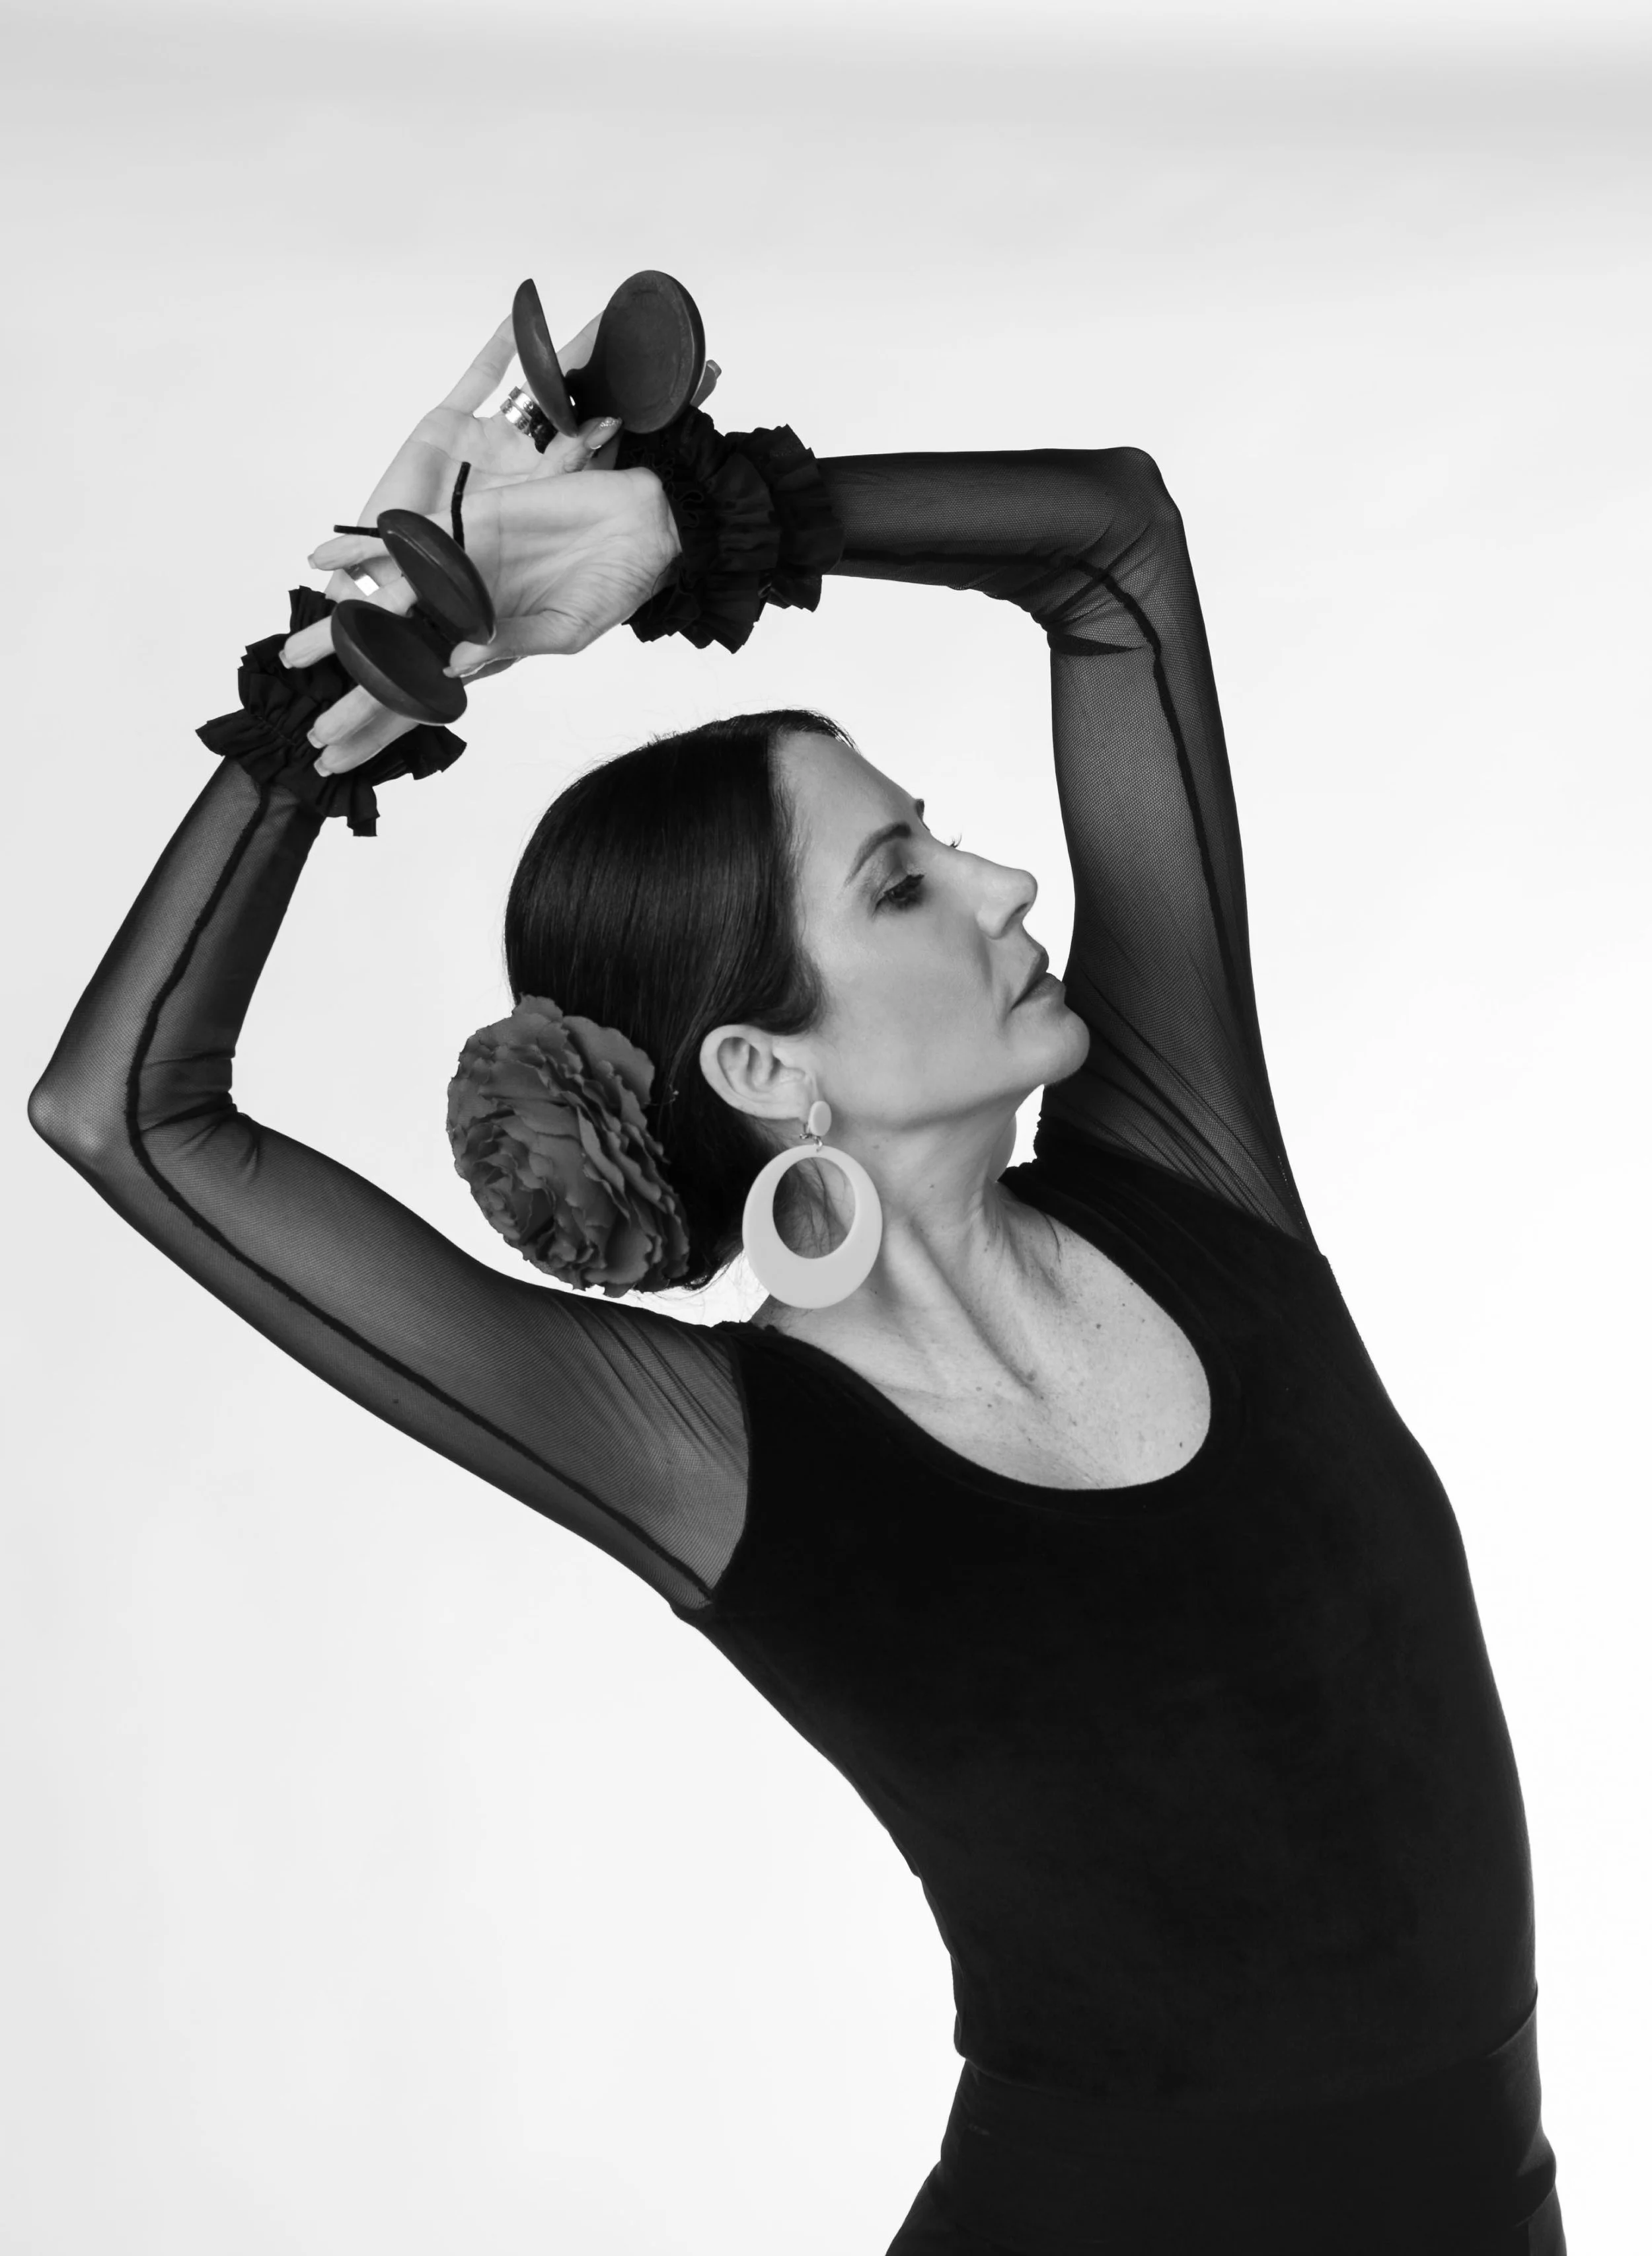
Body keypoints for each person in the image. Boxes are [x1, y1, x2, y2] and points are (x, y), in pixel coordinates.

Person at [28, 303, 1565, 2256]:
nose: (1006, 887)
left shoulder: (1189, 1178)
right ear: (766, 1065)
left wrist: (684, 527)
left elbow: (1113, 555)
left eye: (941, 848)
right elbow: (128, 1114)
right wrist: (342, 681)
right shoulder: (712, 1450)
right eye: (902, 882)